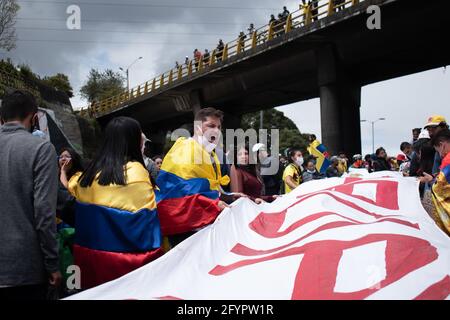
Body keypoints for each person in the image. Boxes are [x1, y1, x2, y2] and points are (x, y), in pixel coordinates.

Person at [68, 117, 162, 289]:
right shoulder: (136, 172)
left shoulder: (87, 174)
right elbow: (150, 221)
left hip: (89, 263)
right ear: (133, 141)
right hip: (124, 268)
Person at [0, 90, 61, 300]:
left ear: (1, 118)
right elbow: (44, 213)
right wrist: (52, 263)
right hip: (24, 268)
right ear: (34, 118)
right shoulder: (41, 149)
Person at [156, 108, 235, 248]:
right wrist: (212, 204)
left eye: (219, 127)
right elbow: (180, 193)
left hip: (203, 224)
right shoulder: (185, 150)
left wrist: (230, 195)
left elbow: (208, 187)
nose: (216, 131)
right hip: (186, 231)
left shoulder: (211, 153)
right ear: (197, 128)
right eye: (211, 126)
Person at [420, 129, 450, 235]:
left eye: (438, 151)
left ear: (442, 145)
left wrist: (430, 180)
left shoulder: (448, 160)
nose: (440, 155)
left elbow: (440, 188)